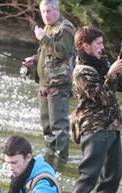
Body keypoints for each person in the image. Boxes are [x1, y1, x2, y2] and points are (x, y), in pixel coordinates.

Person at [67, 25, 122, 193]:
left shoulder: (102, 63)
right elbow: (103, 97)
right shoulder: (81, 72)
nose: (102, 47)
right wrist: (109, 75)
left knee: (113, 174)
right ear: (86, 46)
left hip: (112, 126)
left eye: (102, 43)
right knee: (89, 174)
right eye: (98, 43)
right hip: (94, 128)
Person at [22, 0, 75, 170]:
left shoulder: (65, 28)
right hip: (44, 86)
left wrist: (42, 38)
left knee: (59, 129)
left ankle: (60, 167)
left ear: (57, 10)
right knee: (47, 129)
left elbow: (61, 51)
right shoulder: (47, 28)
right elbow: (47, 55)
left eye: (49, 11)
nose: (46, 15)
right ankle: (48, 165)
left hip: (58, 86)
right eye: (43, 12)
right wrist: (34, 59)